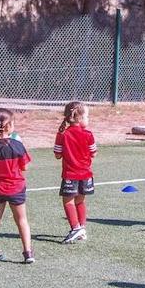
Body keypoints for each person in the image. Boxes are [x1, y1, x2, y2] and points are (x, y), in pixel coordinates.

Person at [0, 107, 34, 264]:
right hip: (16, 188)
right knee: (22, 220)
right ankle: (28, 253)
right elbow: (25, 167)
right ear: (9, 126)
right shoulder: (17, 146)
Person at [54, 101, 97, 245]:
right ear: (79, 118)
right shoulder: (88, 134)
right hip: (86, 174)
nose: (88, 119)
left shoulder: (62, 134)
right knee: (80, 201)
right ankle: (81, 228)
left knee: (68, 201)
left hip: (70, 175)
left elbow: (57, 155)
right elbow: (94, 153)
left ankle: (75, 228)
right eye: (87, 116)